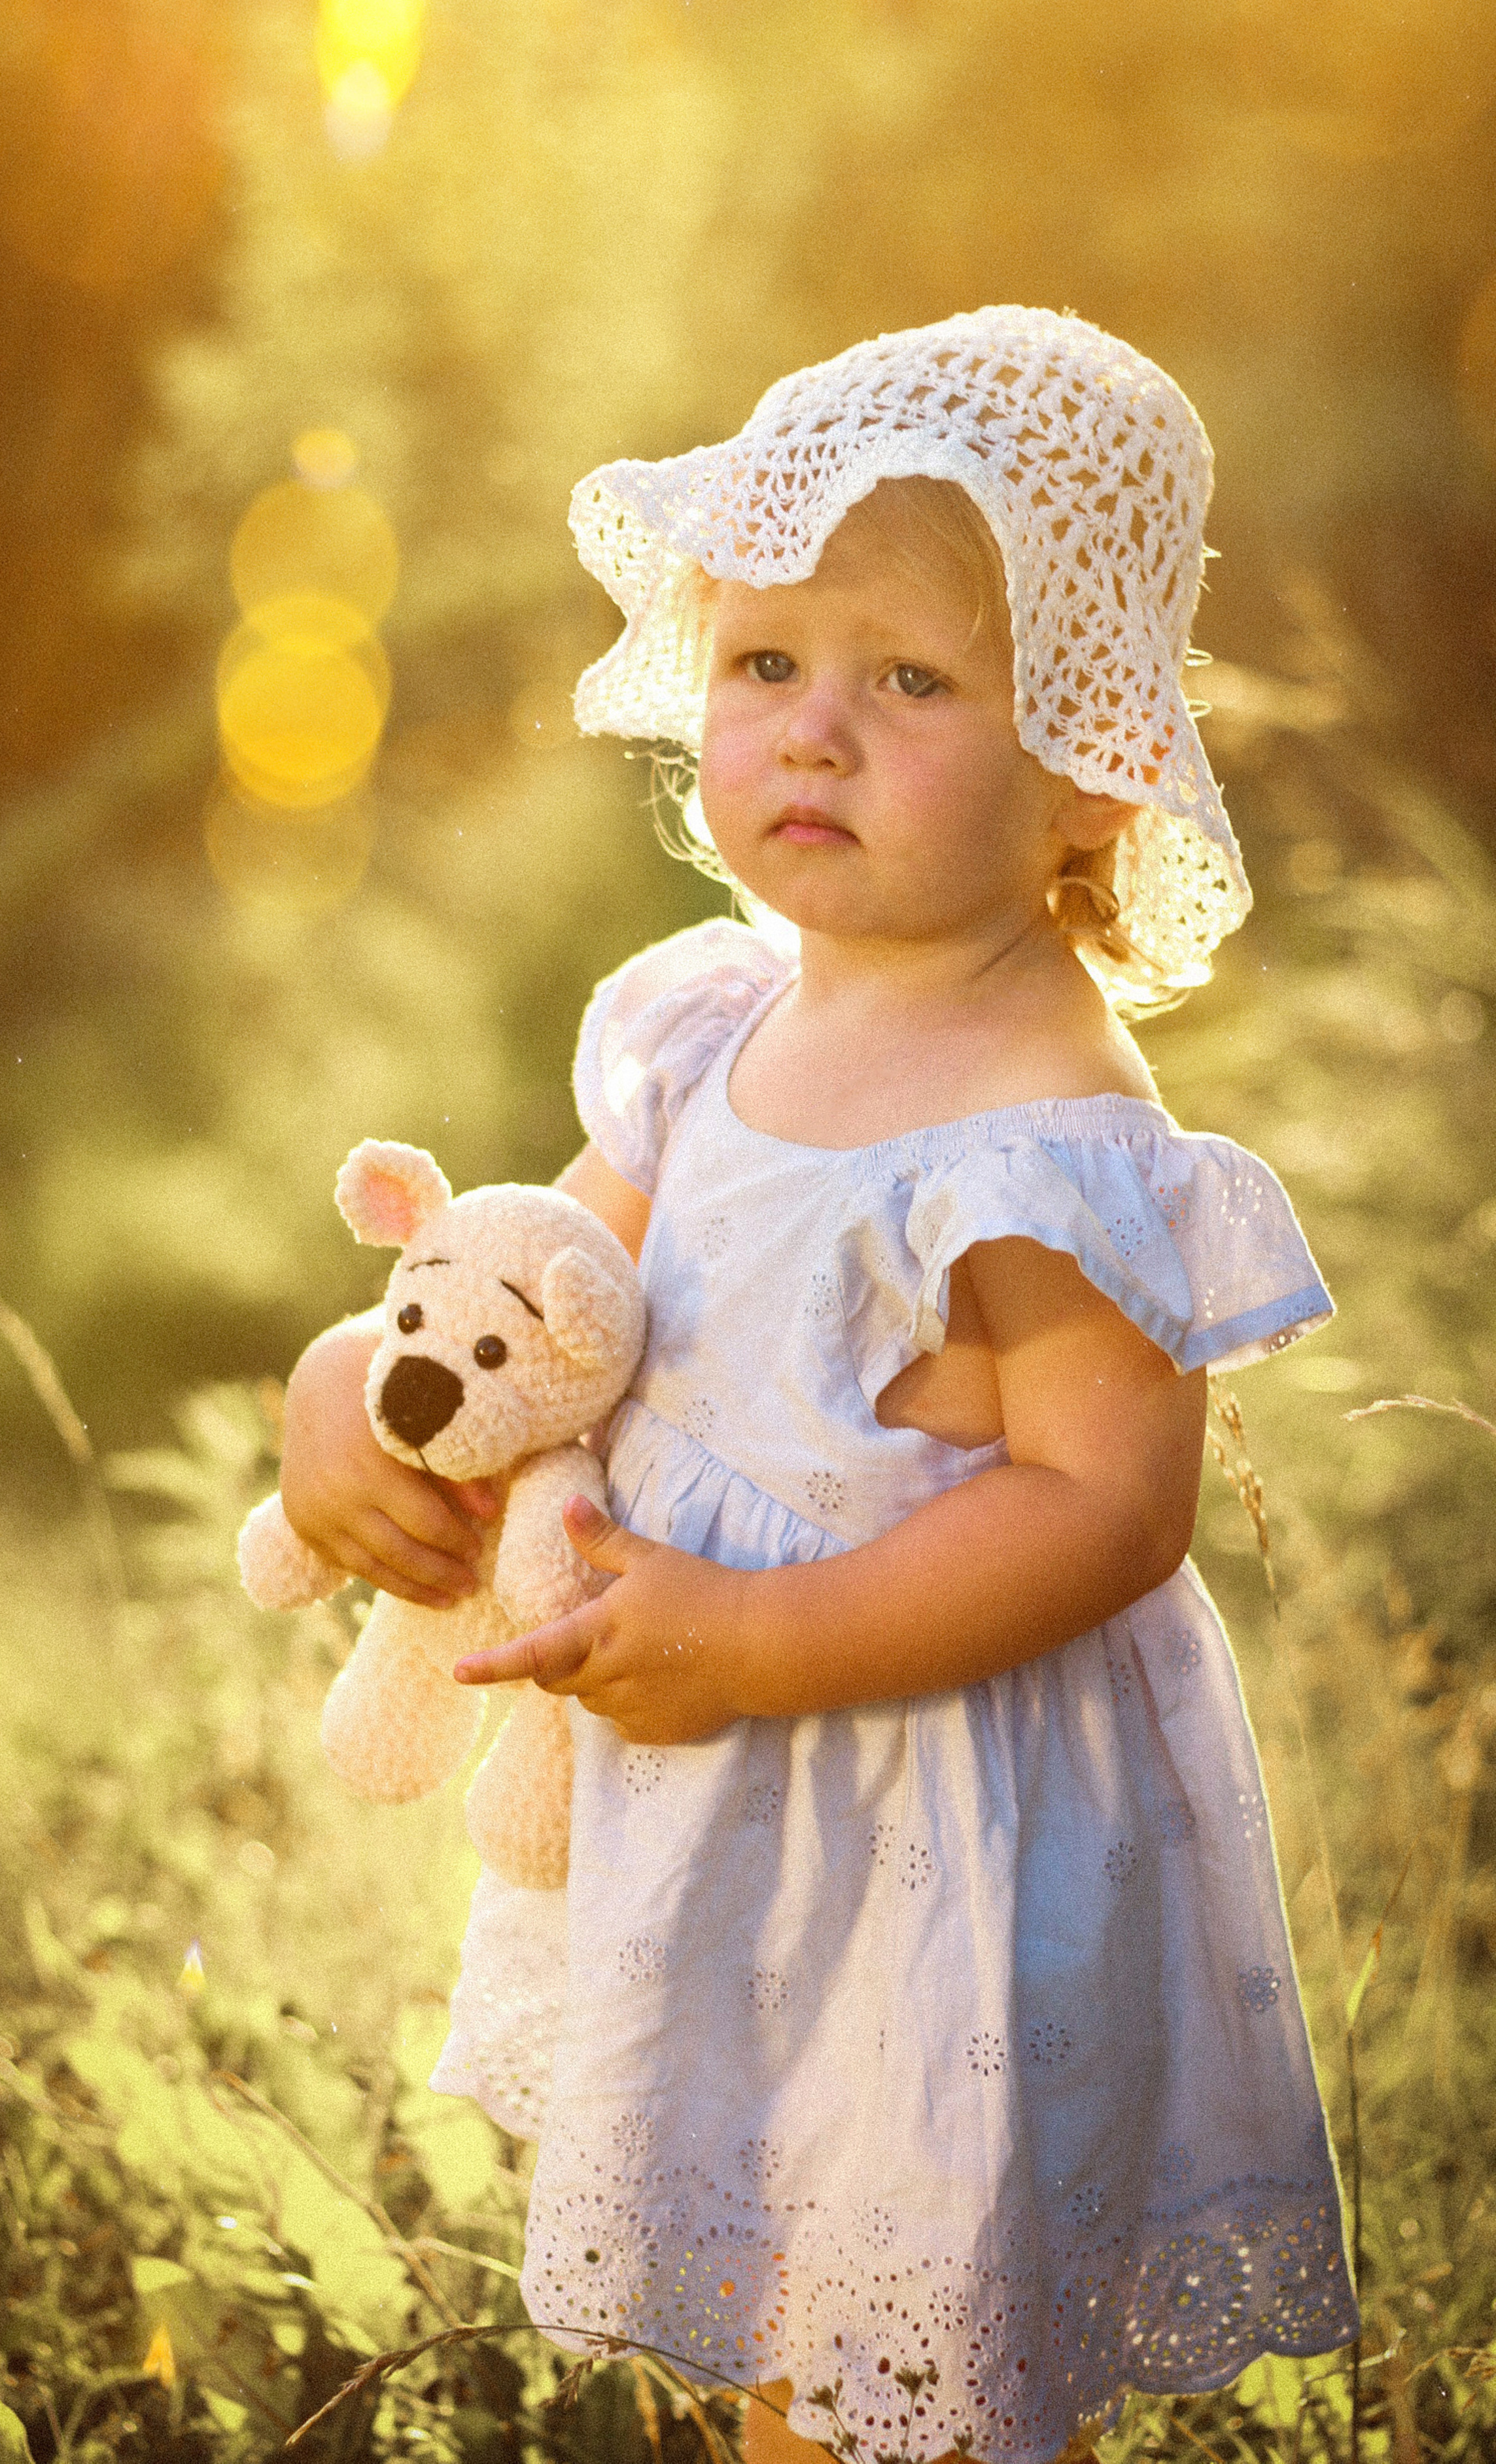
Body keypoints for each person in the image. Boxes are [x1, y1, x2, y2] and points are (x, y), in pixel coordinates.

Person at [280, 308, 1359, 2463]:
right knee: (789, 2321)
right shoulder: (709, 1022)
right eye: (768, 663)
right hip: (739, 1806)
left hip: (921, 1819)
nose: (812, 736)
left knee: (909, 2341)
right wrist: (348, 1379)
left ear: (1089, 758)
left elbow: (1104, 1502)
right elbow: (554, 1278)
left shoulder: (1044, 1123)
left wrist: (765, 1635)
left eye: (914, 680)